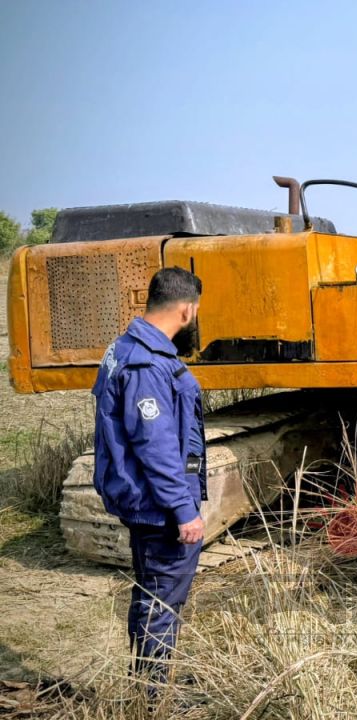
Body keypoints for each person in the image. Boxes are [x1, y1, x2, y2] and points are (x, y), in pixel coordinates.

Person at [92, 267, 207, 688]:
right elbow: (155, 447)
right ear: (186, 310)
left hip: (146, 501)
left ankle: (151, 677)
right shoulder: (146, 363)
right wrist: (183, 510)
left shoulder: (125, 348)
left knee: (152, 593)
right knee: (161, 598)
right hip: (157, 507)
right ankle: (155, 694)